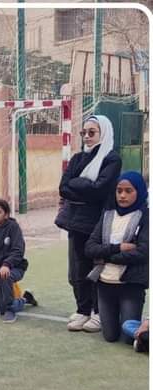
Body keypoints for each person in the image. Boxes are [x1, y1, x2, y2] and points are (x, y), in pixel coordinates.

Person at [55, 115, 122, 332]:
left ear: (103, 132)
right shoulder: (77, 158)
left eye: (91, 132)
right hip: (75, 222)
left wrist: (77, 184)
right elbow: (63, 188)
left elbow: (99, 190)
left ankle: (98, 312)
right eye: (83, 133)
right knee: (78, 269)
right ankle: (83, 309)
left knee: (97, 267)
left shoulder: (111, 159)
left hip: (97, 223)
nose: (86, 137)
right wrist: (85, 186)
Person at [84, 171, 148, 344]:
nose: (122, 195)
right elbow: (89, 248)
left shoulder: (146, 217)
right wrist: (118, 248)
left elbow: (142, 252)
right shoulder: (107, 215)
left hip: (130, 285)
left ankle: (144, 324)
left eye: (128, 191)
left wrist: (105, 257)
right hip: (105, 284)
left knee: (127, 338)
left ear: (139, 191)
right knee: (110, 336)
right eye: (119, 191)